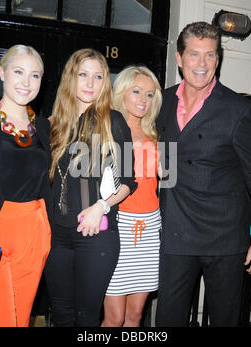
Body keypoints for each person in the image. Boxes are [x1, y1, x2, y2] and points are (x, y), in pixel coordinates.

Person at [155, 21, 251, 327]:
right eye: (194, 55)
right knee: (168, 319)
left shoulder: (238, 109)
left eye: (210, 55)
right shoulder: (161, 102)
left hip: (225, 238)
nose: (202, 64)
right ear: (179, 58)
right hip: (176, 233)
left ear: (217, 59)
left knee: (224, 320)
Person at [44, 48, 137, 327]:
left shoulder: (114, 122)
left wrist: (102, 206)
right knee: (60, 315)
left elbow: (129, 181)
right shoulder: (51, 125)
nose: (89, 83)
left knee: (86, 317)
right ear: (70, 78)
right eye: (83, 75)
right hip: (54, 237)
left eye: (98, 77)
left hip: (95, 235)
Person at [0, 44, 51, 327]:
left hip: (35, 230)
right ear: (2, 72)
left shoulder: (42, 127)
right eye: (19, 72)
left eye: (35, 75)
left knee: (20, 319)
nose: (26, 82)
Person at [102, 66, 162, 327]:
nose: (143, 100)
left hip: (150, 229)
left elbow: (161, 185)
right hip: (119, 228)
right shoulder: (107, 130)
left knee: (135, 316)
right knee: (114, 318)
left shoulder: (154, 136)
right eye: (136, 91)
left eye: (150, 95)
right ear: (122, 92)